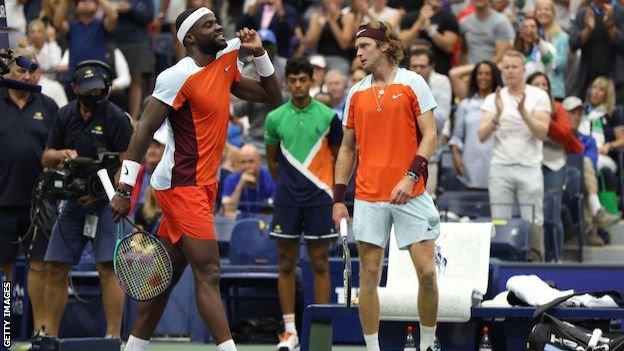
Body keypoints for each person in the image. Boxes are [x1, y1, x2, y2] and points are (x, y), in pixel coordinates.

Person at [109, 7, 282, 351]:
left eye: (218, 21)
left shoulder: (226, 61)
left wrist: (260, 53)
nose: (219, 27)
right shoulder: (176, 76)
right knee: (210, 271)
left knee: (165, 278)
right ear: (190, 38)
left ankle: (132, 348)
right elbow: (143, 130)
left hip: (203, 186)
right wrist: (125, 188)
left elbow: (272, 96)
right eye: (209, 25)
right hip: (180, 185)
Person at [332, 21, 441, 351]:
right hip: (367, 196)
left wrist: (410, 176)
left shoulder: (413, 83)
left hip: (413, 193)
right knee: (368, 275)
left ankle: (425, 345)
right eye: (356, 48)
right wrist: (339, 198)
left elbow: (431, 135)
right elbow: (347, 148)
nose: (358, 52)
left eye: (364, 46)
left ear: (384, 46)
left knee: (426, 273)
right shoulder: (356, 92)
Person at [41, 60, 132, 339]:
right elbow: (46, 156)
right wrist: (61, 155)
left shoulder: (115, 117)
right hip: (72, 200)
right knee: (55, 265)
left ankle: (113, 337)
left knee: (108, 267)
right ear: (75, 88)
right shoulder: (65, 114)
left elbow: (129, 160)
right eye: (88, 90)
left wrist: (112, 191)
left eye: (99, 90)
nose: (94, 95)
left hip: (106, 202)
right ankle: (49, 336)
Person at [264, 57, 343, 351]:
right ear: (286, 82)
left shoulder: (329, 117)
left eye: (303, 80)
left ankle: (320, 331)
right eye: (293, 80)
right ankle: (289, 332)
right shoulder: (274, 118)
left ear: (312, 81)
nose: (298, 85)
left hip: (320, 199)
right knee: (286, 264)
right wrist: (288, 185)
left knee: (320, 264)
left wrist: (326, 189)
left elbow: (340, 158)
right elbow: (272, 162)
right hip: (287, 201)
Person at [0, 47, 59, 341]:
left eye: (30, 70)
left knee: (41, 266)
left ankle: (41, 333)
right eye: (19, 70)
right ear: (7, 70)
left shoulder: (47, 106)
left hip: (41, 203)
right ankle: (4, 333)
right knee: (4, 271)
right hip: (3, 202)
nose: (25, 76)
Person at [478, 49, 552, 262]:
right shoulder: (494, 99)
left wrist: (523, 112)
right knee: (499, 221)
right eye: (506, 67)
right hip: (501, 167)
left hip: (529, 167)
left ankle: (537, 266)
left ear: (523, 69)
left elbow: (542, 132)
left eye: (514, 67)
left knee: (534, 221)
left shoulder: (538, 96)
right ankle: (501, 267)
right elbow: (481, 135)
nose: (510, 71)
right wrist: (499, 114)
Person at [449, 61, 503, 190]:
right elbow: (457, 136)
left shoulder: (503, 102)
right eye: (479, 73)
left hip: (497, 160)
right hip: (471, 161)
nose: (483, 77)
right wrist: (456, 156)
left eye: (487, 73)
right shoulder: (466, 104)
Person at [409, 48, 452, 196]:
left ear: (431, 67)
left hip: (430, 157)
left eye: (422, 66)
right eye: (414, 66)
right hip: (403, 156)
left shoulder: (441, 82)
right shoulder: (402, 84)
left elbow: (439, 121)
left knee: (425, 201)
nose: (418, 70)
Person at [221, 144, 276, 218]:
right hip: (240, 224)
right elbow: (228, 210)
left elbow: (276, 208)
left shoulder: (270, 177)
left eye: (251, 161)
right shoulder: (231, 179)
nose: (247, 166)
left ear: (259, 162)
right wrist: (240, 185)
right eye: (243, 162)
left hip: (264, 222)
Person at [459, 0, 515, 64]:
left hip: (493, 69)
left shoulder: (501, 21)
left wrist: (480, 68)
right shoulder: (464, 22)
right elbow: (463, 52)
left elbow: (501, 55)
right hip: (470, 69)